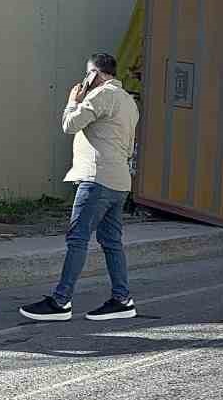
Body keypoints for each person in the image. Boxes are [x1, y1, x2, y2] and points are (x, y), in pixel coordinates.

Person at [19, 52, 141, 322]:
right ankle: (122, 300)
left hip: (97, 180)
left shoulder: (100, 95)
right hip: (119, 182)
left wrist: (73, 101)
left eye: (87, 74)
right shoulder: (128, 101)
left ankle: (60, 301)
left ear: (94, 74)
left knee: (77, 239)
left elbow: (70, 125)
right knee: (111, 241)